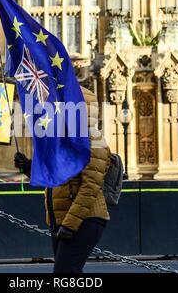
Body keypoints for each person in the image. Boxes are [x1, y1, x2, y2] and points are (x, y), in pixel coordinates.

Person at [14, 86, 111, 273]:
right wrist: (28, 167)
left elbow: (90, 187)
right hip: (61, 217)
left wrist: (70, 225)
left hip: (85, 218)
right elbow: (55, 177)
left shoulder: (92, 139)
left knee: (64, 273)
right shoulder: (62, 139)